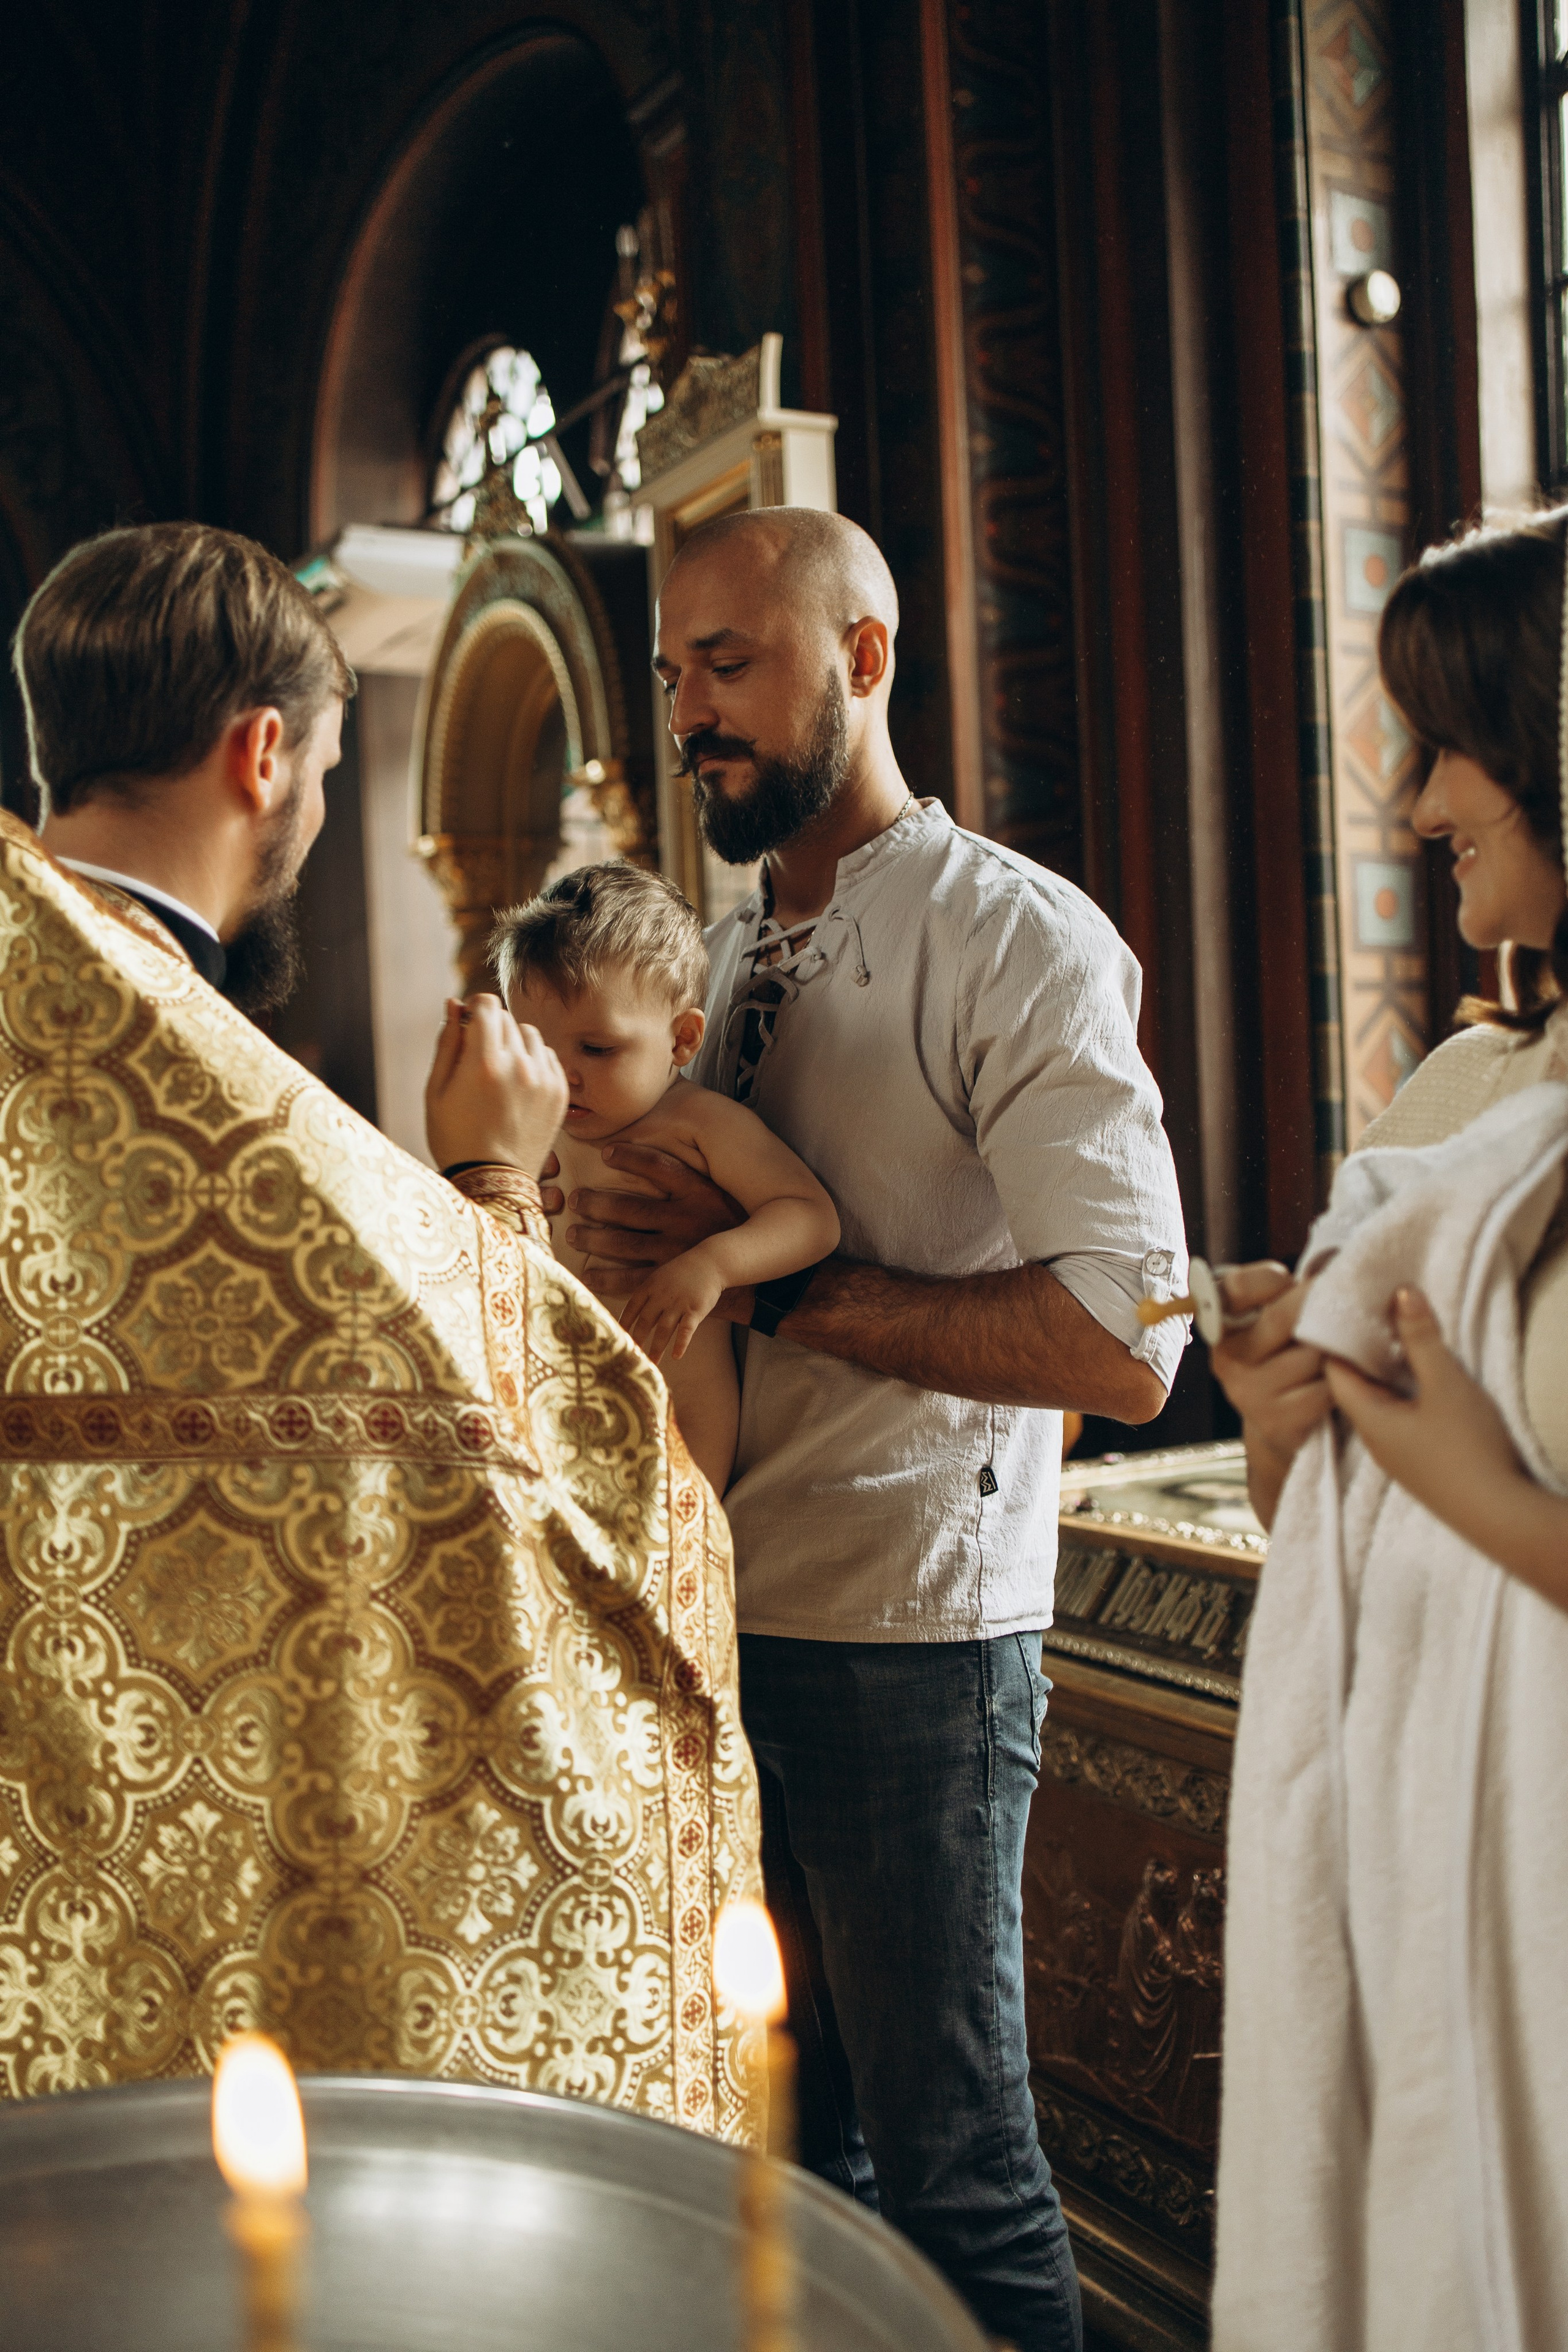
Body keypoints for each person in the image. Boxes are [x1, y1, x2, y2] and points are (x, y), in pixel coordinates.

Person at [0, 522, 761, 2137]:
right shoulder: (224, 1122)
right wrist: (497, 1175)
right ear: (263, 754)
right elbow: (557, 1466)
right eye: (336, 767)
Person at [554, 505, 1190, 2351]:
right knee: (778, 2167)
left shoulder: (1015, 937)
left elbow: (1128, 1338)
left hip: (915, 1649)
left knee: (957, 2165)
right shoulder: (716, 956)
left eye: (730, 665)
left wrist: (770, 1289)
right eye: (672, 674)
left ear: (864, 657)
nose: (691, 712)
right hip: (705, 1626)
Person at [1208, 510, 1568, 2351]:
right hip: (1419, 1839)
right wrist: (1290, 1416)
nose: (1416, 800)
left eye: (1447, 739)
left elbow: (1476, 1489)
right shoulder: (1462, 1090)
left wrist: (1480, 1490)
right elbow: (1322, 1525)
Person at [491, 859, 840, 1493]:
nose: (561, 1074)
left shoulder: (697, 1124)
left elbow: (809, 1216)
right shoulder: (530, 1124)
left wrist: (713, 1265)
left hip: (679, 1413)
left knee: (681, 1556)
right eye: (535, 1046)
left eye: (596, 1050)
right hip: (553, 1404)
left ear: (681, 1041)